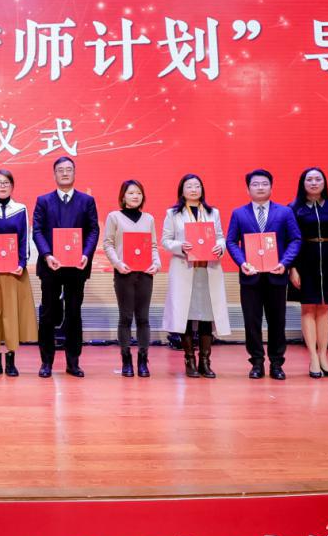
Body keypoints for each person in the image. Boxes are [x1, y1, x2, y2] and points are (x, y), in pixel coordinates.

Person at [225, 169, 301, 380]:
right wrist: (242, 263)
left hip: (277, 275)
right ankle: (256, 362)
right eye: (255, 184)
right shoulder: (239, 213)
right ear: (248, 189)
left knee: (277, 321)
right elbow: (231, 241)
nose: (260, 187)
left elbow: (295, 239)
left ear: (271, 187)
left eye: (264, 183)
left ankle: (277, 363)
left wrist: (284, 263)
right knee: (252, 322)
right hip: (250, 276)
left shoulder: (285, 212)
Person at [32, 156, 100, 378]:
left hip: (77, 267)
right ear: (54, 174)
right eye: (60, 170)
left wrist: (86, 254)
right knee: (48, 315)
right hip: (51, 266)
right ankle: (46, 362)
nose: (64, 173)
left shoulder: (86, 201)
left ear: (74, 173)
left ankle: (73, 362)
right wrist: (47, 255)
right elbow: (37, 231)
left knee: (73, 313)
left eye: (68, 169)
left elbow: (93, 230)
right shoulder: (43, 200)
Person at [161, 173, 231, 379]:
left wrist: (220, 247)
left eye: (197, 186)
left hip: (207, 270)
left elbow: (220, 237)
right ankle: (189, 360)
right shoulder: (173, 214)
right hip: (185, 269)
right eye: (189, 186)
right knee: (184, 316)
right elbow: (165, 240)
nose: (193, 189)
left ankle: (205, 362)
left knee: (206, 317)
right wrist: (180, 246)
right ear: (182, 190)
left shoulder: (212, 212)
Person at [0, 169, 37, 377]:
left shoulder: (20, 209)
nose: (2, 186)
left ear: (12, 186)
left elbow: (24, 238)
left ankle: (11, 360)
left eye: (6, 183)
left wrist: (22, 263)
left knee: (12, 314)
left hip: (14, 271)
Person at [289, 167, 328, 379]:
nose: (314, 183)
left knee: (324, 309)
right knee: (307, 308)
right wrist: (292, 268)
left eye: (318, 179)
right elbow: (290, 240)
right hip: (305, 261)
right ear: (302, 183)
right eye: (309, 179)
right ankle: (312, 357)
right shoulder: (294, 208)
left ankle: (323, 356)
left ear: (324, 183)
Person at [102, 180, 161, 377]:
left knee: (143, 318)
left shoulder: (149, 219)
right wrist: (117, 263)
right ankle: (126, 360)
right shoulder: (114, 217)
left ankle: (143, 360)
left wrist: (156, 263)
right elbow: (108, 244)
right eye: (131, 193)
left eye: (139, 193)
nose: (135, 196)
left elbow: (153, 245)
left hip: (145, 274)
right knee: (126, 318)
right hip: (124, 274)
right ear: (123, 196)